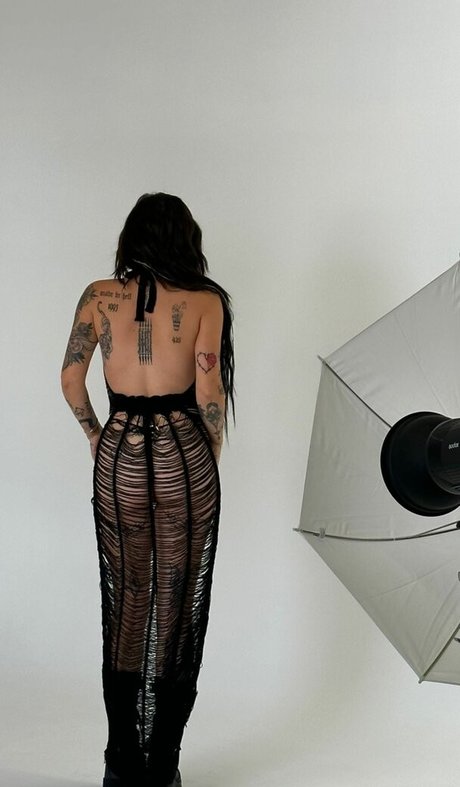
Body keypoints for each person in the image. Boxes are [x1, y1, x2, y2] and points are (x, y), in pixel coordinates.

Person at [60, 193, 235, 787]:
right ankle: (162, 766)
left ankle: (120, 765)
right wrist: (209, 452)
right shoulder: (205, 301)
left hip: (119, 457)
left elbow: (70, 378)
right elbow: (208, 391)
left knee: (127, 599)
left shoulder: (98, 296)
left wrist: (95, 434)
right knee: (176, 602)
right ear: (185, 239)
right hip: (183, 456)